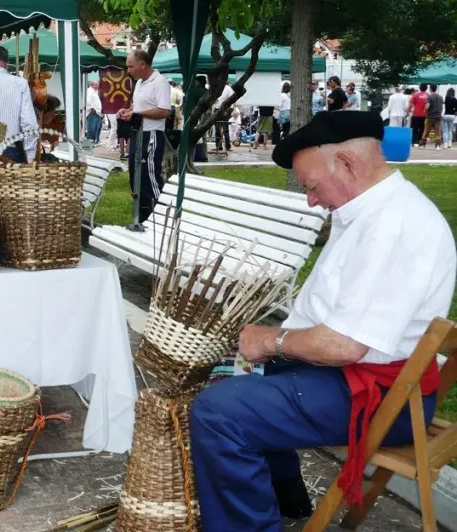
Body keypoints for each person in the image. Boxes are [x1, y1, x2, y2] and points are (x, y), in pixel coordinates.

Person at [191, 110, 456, 531]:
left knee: (218, 412)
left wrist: (270, 342)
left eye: (312, 186)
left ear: (348, 164)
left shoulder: (393, 226)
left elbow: (344, 346)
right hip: (354, 376)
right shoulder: (367, 210)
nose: (311, 199)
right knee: (229, 376)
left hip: (381, 397)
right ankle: (288, 501)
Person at [116, 50, 170, 222]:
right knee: (135, 177)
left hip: (152, 135)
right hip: (137, 135)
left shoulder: (160, 82)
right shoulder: (139, 83)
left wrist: (137, 114)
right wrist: (128, 111)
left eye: (131, 66)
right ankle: (141, 219)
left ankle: (163, 218)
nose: (128, 70)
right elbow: (138, 106)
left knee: (150, 178)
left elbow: (164, 111)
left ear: (143, 64)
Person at [420, 83, 444, 150]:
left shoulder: (429, 97)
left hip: (430, 116)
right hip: (438, 116)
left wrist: (425, 110)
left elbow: (427, 106)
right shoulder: (440, 97)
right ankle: (437, 146)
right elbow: (441, 107)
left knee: (426, 130)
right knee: (437, 131)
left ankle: (422, 144)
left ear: (430, 89)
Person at [213, 81, 235, 151]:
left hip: (224, 109)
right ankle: (222, 146)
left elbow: (232, 99)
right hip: (220, 109)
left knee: (222, 128)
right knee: (221, 128)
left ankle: (223, 146)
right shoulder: (218, 87)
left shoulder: (227, 88)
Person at [85, 80, 103, 145]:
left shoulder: (95, 91)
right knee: (91, 129)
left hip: (98, 113)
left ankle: (93, 142)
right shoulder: (89, 91)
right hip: (92, 113)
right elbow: (87, 101)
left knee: (96, 128)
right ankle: (89, 144)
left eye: (97, 85)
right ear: (91, 85)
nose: (97, 86)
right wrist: (92, 108)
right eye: (96, 85)